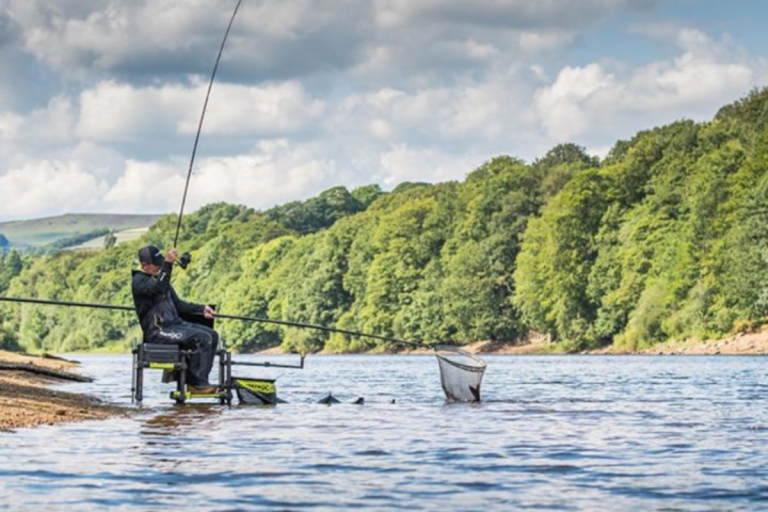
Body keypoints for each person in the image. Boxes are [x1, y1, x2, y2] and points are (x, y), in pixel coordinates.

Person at [132, 245, 219, 394]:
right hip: (157, 332)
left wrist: (201, 309)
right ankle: (195, 384)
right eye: (157, 265)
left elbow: (178, 304)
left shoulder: (161, 280)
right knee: (202, 338)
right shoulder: (139, 280)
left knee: (212, 335)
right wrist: (167, 264)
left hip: (175, 325)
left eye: (161, 264)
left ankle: (200, 380)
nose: (160, 267)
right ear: (145, 265)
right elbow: (157, 288)